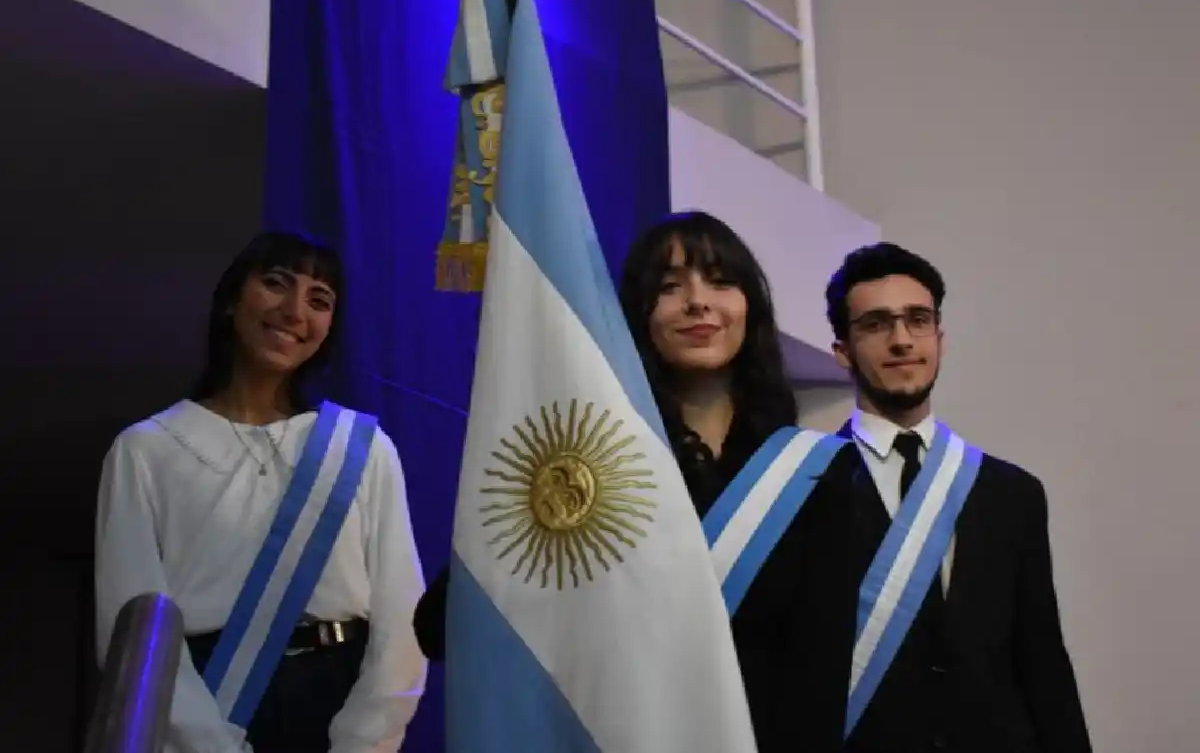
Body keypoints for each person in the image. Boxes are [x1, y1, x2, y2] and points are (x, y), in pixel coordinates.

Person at [413, 211, 858, 753]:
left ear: (751, 308)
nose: (698, 302)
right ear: (638, 315)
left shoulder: (810, 469)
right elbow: (440, 625)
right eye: (670, 287)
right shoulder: (592, 463)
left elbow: (831, 660)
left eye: (720, 282)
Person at [94, 231, 427, 753]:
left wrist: (363, 741)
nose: (295, 311)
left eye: (319, 300)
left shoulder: (362, 448)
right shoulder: (147, 450)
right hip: (206, 704)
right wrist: (206, 743)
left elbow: (403, 622)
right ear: (232, 301)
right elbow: (131, 627)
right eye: (276, 284)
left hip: (338, 703)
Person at [823, 241, 1092, 753]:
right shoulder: (803, 486)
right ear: (843, 351)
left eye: (917, 320)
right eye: (876, 324)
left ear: (940, 340)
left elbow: (1041, 660)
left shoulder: (1012, 494)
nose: (901, 340)